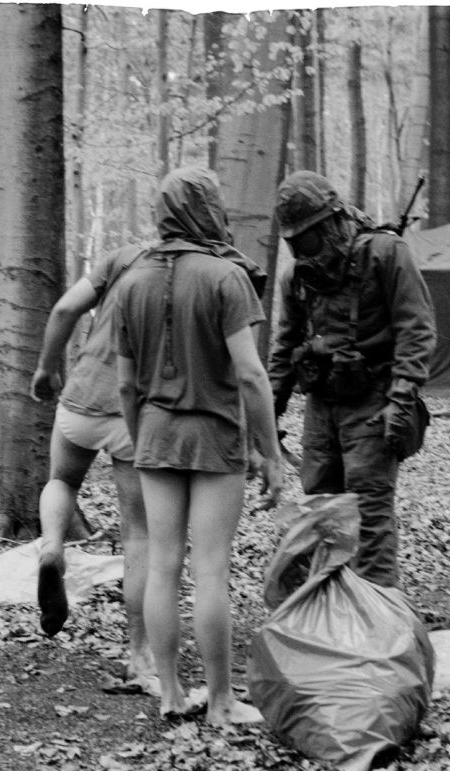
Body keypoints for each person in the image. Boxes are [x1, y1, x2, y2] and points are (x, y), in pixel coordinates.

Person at [112, 166, 284, 725]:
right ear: (206, 208)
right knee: (210, 570)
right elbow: (253, 376)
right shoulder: (224, 277)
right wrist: (272, 452)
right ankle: (223, 703)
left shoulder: (131, 281)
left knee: (162, 566)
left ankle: (169, 696)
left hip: (156, 434)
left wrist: (142, 439)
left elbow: (124, 383)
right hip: (214, 438)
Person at [268, 170, 437, 590]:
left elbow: (416, 330)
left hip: (373, 403)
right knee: (319, 516)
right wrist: (267, 412)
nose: (304, 251)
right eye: (295, 243)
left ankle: (380, 627)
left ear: (333, 221)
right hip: (321, 408)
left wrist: (400, 399)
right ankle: (329, 618)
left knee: (370, 516)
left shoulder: (384, 253)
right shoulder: (297, 279)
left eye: (308, 238)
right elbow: (285, 348)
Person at [30, 243, 156, 691]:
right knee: (138, 534)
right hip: (133, 411)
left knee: (62, 480)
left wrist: (47, 368)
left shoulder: (124, 257)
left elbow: (65, 308)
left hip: (81, 399)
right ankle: (140, 653)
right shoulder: (191, 271)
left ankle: (51, 547)